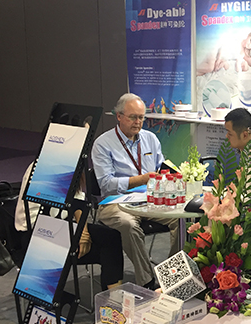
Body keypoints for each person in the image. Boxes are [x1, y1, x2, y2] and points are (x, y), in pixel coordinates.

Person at [91, 93, 178, 289]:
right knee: (129, 225)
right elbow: (105, 184)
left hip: (149, 199)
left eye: (141, 117)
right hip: (115, 203)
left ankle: (172, 277)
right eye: (133, 117)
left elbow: (161, 168)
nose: (138, 122)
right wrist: (141, 179)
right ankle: (147, 282)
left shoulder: (151, 138)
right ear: (119, 116)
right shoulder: (103, 144)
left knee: (181, 220)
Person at [16, 161, 124, 291]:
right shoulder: (43, 165)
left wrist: (83, 233)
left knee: (111, 237)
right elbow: (50, 214)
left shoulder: (69, 163)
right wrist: (80, 235)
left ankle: (113, 297)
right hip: (35, 232)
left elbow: (78, 203)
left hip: (61, 226)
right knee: (105, 249)